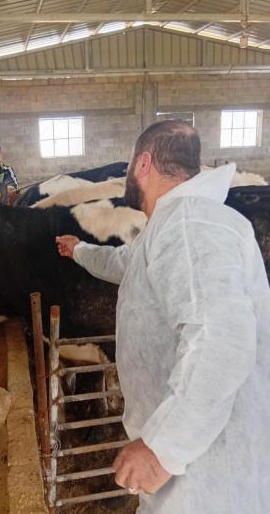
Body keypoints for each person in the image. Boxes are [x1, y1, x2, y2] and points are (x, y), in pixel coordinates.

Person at [56, 120, 270, 514]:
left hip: (207, 470)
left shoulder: (189, 226)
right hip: (195, 456)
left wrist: (162, 448)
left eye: (129, 166)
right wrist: (80, 250)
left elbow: (220, 339)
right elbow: (126, 262)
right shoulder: (177, 225)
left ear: (143, 163)